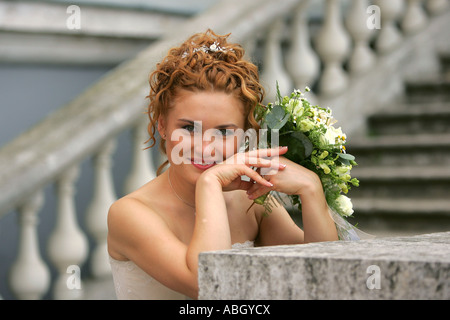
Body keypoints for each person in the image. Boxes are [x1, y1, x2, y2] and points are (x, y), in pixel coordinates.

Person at [107, 29, 338, 300]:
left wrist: (311, 189)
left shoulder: (251, 203)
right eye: (189, 128)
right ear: (162, 126)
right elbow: (207, 284)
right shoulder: (129, 214)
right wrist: (210, 184)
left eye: (225, 132)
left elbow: (323, 277)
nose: (206, 147)